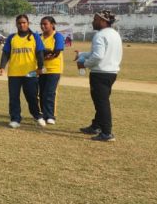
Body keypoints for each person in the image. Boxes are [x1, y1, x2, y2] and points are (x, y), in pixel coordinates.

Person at [77, 10, 122, 142]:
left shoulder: (100, 35)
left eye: (95, 19)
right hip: (111, 72)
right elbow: (97, 53)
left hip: (100, 73)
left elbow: (97, 56)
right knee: (101, 101)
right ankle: (96, 126)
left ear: (103, 21)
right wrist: (81, 54)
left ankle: (106, 133)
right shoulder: (115, 34)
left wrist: (84, 64)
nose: (93, 22)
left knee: (101, 103)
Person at [0, 14, 46, 128]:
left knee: (32, 96)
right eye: (19, 23)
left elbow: (40, 53)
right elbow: (6, 53)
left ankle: (37, 115)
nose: (22, 25)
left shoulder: (35, 37)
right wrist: (2, 67)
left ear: (28, 23)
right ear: (16, 24)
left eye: (24, 22)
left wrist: (40, 67)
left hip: (31, 73)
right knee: (14, 97)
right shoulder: (12, 38)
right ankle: (15, 119)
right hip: (14, 73)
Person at [39, 16, 66, 125]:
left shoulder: (57, 36)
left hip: (54, 69)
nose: (43, 26)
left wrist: (44, 55)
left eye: (45, 24)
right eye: (41, 24)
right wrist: (44, 55)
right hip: (41, 69)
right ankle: (43, 113)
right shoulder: (39, 37)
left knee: (49, 92)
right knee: (41, 93)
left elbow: (56, 52)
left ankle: (50, 116)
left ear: (52, 24)